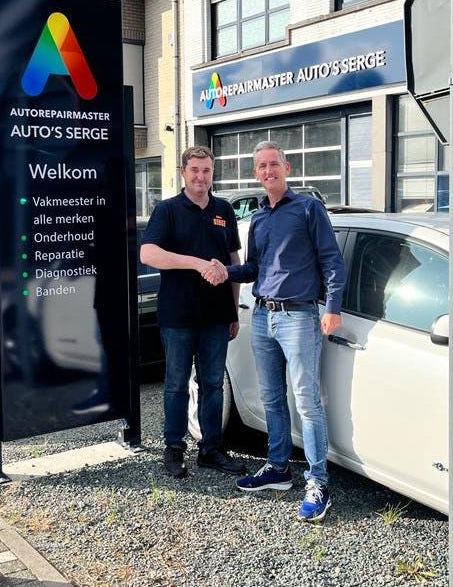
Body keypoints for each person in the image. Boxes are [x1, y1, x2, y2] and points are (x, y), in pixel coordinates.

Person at [205, 140, 345, 522]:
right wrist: (225, 272)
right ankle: (278, 468)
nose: (268, 171)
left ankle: (317, 481)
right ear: (256, 174)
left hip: (299, 317)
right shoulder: (261, 218)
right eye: (262, 167)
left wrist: (331, 308)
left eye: (274, 165)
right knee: (271, 398)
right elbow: (254, 269)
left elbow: (332, 261)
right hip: (264, 317)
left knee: (307, 401)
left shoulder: (308, 208)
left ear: (286, 167)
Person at [140, 146, 246, 478]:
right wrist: (196, 263)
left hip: (216, 316)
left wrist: (234, 310)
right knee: (175, 384)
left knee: (213, 383)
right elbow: (148, 253)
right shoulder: (167, 210)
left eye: (207, 171)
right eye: (195, 170)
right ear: (184, 172)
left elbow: (234, 263)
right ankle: (173, 449)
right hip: (178, 315)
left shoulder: (224, 210)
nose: (201, 177)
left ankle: (211, 449)